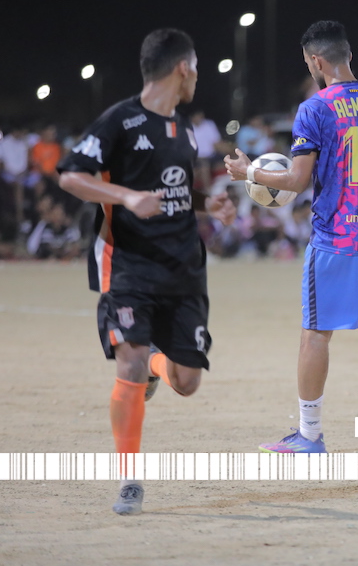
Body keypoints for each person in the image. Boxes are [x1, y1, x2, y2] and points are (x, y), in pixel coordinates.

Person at [224, 20, 358, 454]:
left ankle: (309, 435)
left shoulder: (315, 108)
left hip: (337, 238)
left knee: (315, 334)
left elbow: (296, 180)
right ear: (348, 55)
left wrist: (250, 172)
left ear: (316, 61)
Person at [56, 28, 237, 515]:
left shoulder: (186, 129)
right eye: (196, 68)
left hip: (184, 269)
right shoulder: (119, 120)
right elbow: (70, 174)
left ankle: (158, 363)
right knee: (128, 362)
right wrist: (126, 198)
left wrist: (209, 204)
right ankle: (129, 478)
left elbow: (174, 192)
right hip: (128, 264)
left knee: (187, 381)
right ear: (182, 68)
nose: (197, 77)